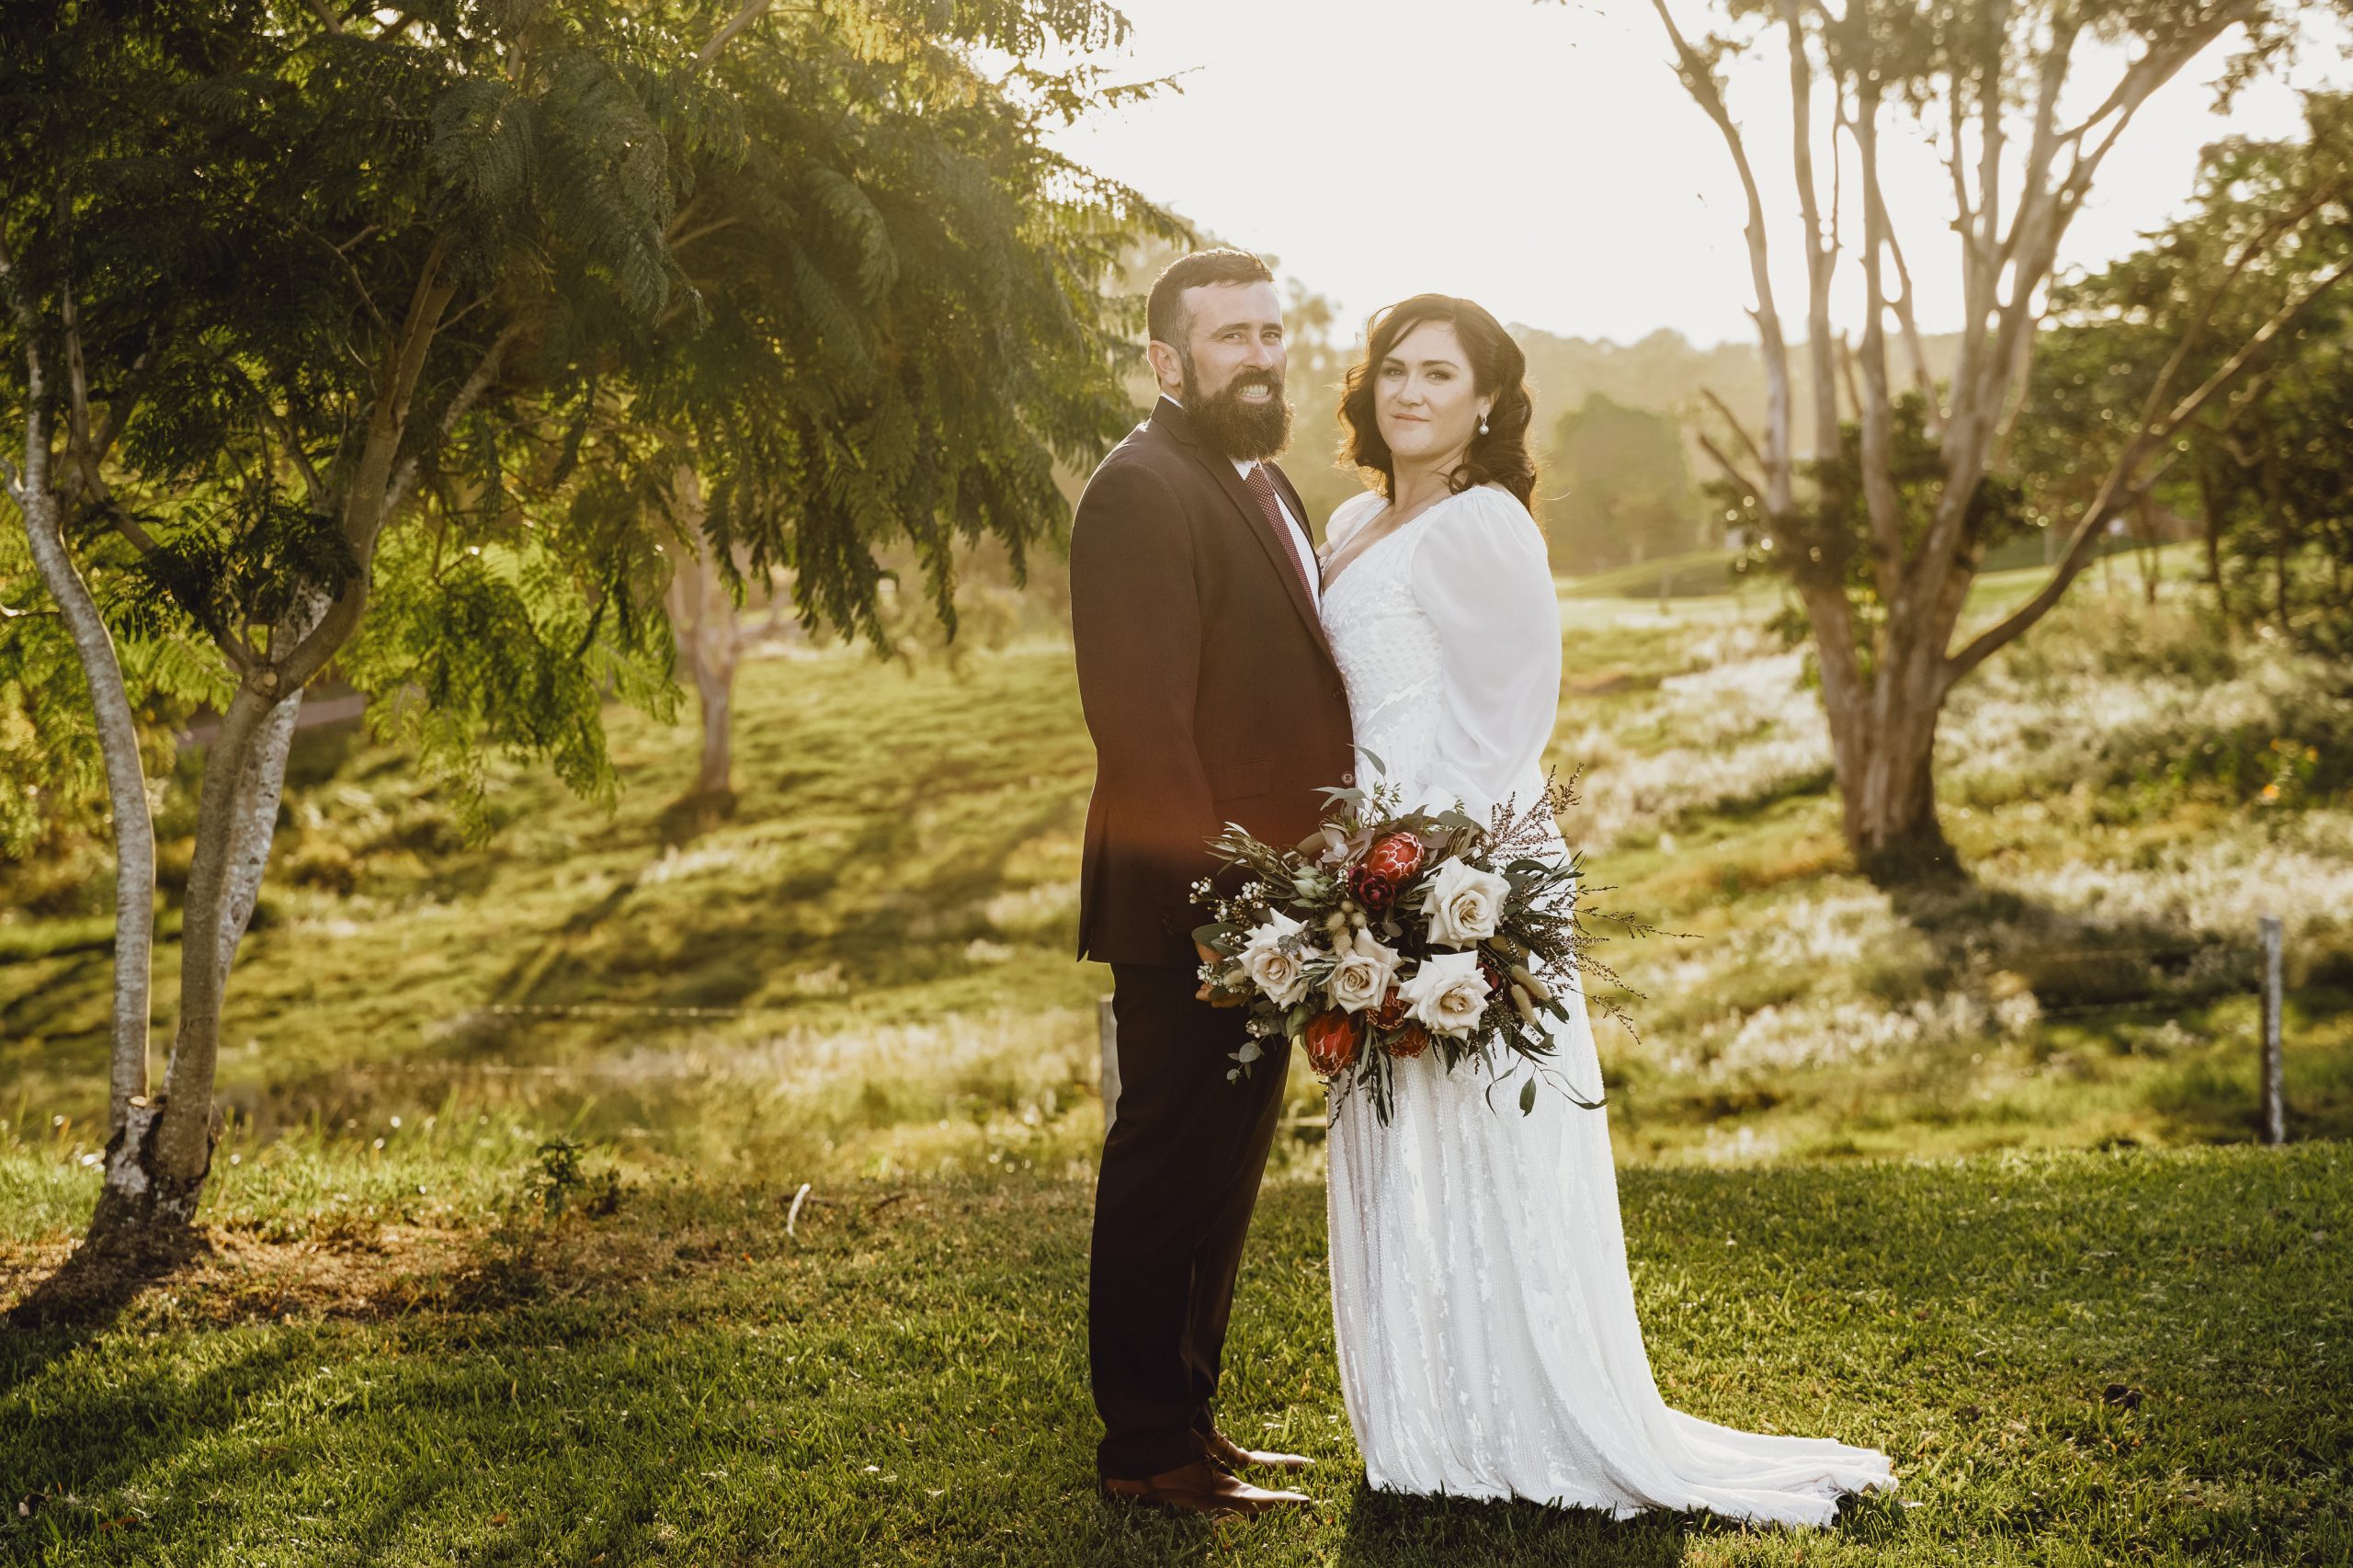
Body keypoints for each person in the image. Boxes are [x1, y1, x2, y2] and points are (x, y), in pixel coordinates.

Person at [1316, 293, 1894, 1525]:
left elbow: (1509, 714)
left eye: (1438, 373)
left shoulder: (1484, 527)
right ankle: (1424, 1414)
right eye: (1392, 371)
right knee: (1394, 1129)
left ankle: (1523, 1410)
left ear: (1486, 401)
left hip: (1462, 877)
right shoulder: (1353, 520)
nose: (1408, 391)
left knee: (1484, 1129)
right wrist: (1348, 873)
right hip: (1362, 869)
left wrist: (1438, 882)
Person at [1067, 248, 1352, 1519]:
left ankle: (1191, 1421)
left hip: (1273, 910)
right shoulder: (1139, 489)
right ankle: (1142, 1450)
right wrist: (1223, 916)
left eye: (1271, 330)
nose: (1259, 352)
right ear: (1166, 360)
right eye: (1230, 335)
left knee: (1223, 1173)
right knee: (1164, 1165)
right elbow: (1143, 730)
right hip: (1196, 909)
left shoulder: (1258, 474)